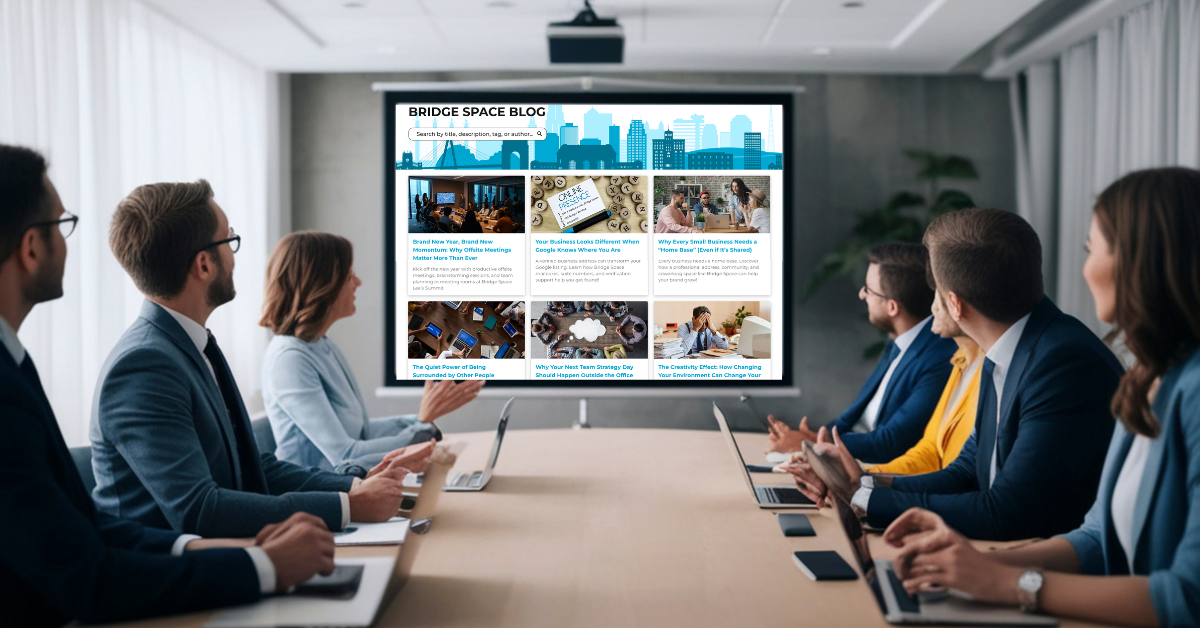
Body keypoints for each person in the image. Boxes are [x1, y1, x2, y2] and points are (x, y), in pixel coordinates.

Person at [0, 145, 336, 624]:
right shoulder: (140, 364)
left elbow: (87, 529)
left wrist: (230, 551)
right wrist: (260, 565)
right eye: (62, 224)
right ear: (31, 247)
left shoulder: (15, 363)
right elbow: (87, 577)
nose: (69, 242)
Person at [877, 168, 1200, 627]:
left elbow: (1187, 598)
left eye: (1092, 249)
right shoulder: (1150, 377)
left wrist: (1009, 584)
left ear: (1143, 262)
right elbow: (1098, 538)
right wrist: (972, 566)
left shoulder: (1175, 386)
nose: (1085, 267)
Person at [92, 180, 431, 538]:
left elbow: (252, 467)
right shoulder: (144, 367)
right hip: (182, 578)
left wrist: (351, 486)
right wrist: (349, 506)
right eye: (230, 240)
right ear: (204, 264)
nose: (235, 256)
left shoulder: (191, 344)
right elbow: (200, 510)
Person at [792, 208, 1122, 541]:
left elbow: (1008, 511)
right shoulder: (1007, 347)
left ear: (955, 304)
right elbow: (966, 473)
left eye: (934, 290)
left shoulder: (1062, 363)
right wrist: (861, 483)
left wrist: (865, 498)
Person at [260, 232, 483, 476]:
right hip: (315, 496)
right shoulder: (289, 360)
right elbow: (345, 457)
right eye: (349, 277)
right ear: (323, 286)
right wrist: (420, 424)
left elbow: (362, 432)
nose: (358, 283)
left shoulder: (321, 344)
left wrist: (421, 418)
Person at [780, 273, 982, 479]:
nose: (933, 308)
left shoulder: (946, 360)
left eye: (938, 295)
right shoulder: (958, 361)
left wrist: (857, 480)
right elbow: (928, 452)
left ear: (955, 303)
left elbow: (958, 476)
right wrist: (859, 477)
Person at [767, 243, 956, 464]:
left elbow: (891, 442)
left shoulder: (940, 358)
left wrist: (810, 445)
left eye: (869, 289)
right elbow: (851, 417)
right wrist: (812, 437)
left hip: (872, 470)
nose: (862, 294)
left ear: (892, 307)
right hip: (845, 459)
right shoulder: (899, 338)